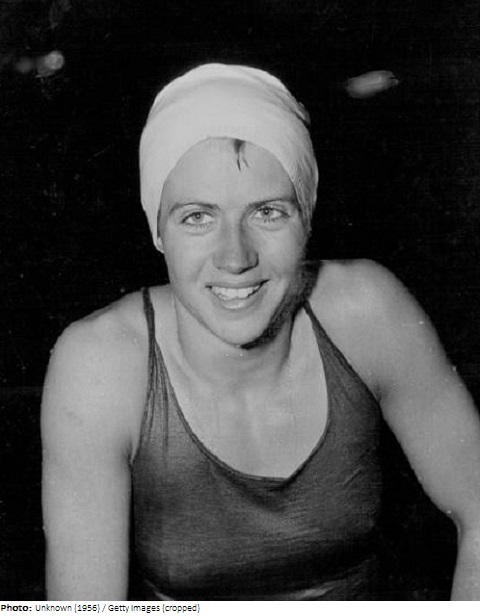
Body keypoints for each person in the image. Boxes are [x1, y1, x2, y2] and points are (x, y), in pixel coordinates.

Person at [41, 63, 480, 601]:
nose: (235, 257)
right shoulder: (100, 364)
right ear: (157, 231)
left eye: (268, 212)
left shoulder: (367, 312)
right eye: (197, 217)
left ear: (307, 219)